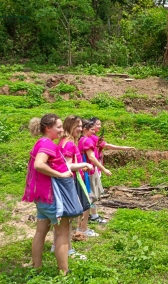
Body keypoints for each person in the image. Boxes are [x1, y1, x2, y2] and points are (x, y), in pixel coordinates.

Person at [23, 114, 71, 277]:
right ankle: (64, 274)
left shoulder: (40, 142)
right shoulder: (47, 144)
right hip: (52, 198)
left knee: (40, 232)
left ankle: (37, 268)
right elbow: (39, 164)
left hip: (42, 198)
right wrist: (60, 174)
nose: (61, 130)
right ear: (47, 128)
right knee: (62, 233)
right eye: (58, 127)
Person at [50, 115, 94, 258]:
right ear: (70, 126)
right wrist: (84, 164)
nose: (80, 129)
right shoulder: (69, 144)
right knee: (67, 220)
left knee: (63, 219)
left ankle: (55, 246)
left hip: (66, 182)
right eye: (78, 126)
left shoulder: (63, 142)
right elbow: (68, 166)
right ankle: (67, 250)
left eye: (81, 126)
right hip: (69, 183)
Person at [88, 117, 135, 224]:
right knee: (93, 194)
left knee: (92, 194)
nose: (99, 126)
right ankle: (93, 216)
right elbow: (107, 146)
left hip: (95, 168)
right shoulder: (92, 138)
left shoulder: (93, 138)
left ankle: (90, 214)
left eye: (100, 124)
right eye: (97, 124)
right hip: (94, 168)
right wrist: (123, 148)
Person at [77, 119, 112, 232]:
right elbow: (92, 157)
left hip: (87, 172)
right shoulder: (87, 141)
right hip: (88, 174)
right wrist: (103, 169)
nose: (94, 132)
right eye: (92, 130)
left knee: (89, 199)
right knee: (88, 200)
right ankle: (82, 228)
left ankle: (83, 225)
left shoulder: (82, 139)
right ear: (85, 129)